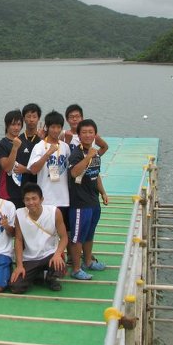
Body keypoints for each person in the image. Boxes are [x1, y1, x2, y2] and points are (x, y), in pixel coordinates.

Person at [67, 119, 109, 280]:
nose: (87, 135)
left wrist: (103, 192)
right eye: (84, 132)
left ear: (95, 134)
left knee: (90, 233)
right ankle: (76, 269)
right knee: (77, 237)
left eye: (91, 132)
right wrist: (88, 157)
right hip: (79, 203)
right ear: (78, 135)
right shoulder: (76, 153)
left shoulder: (94, 152)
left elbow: (95, 174)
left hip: (93, 200)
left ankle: (88, 261)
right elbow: (73, 173)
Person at [10, 183, 68, 293]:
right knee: (16, 286)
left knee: (60, 266)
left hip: (49, 254)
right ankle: (39, 274)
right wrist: (19, 265)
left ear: (41, 199)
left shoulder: (54, 212)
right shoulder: (19, 214)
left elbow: (64, 237)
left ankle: (50, 277)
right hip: (30, 257)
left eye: (34, 198)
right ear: (23, 201)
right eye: (27, 199)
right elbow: (18, 240)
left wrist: (57, 254)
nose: (31, 202)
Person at [27, 110, 72, 227]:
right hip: (45, 199)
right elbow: (33, 170)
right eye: (53, 127)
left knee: (63, 231)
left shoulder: (65, 147)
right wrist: (47, 154)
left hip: (63, 199)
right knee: (46, 232)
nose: (56, 130)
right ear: (47, 127)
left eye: (59, 127)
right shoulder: (39, 146)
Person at [0, 109, 26, 208]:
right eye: (13, 124)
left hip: (25, 192)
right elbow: (7, 168)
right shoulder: (0, 145)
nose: (16, 127)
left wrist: (25, 169)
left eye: (19, 124)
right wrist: (15, 147)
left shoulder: (25, 142)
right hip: (8, 192)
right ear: (6, 125)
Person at [19, 103, 45, 186]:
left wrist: (43, 140)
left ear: (38, 118)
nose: (31, 119)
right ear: (23, 119)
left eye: (34, 117)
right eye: (28, 116)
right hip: (23, 183)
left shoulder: (44, 139)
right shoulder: (18, 140)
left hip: (40, 183)